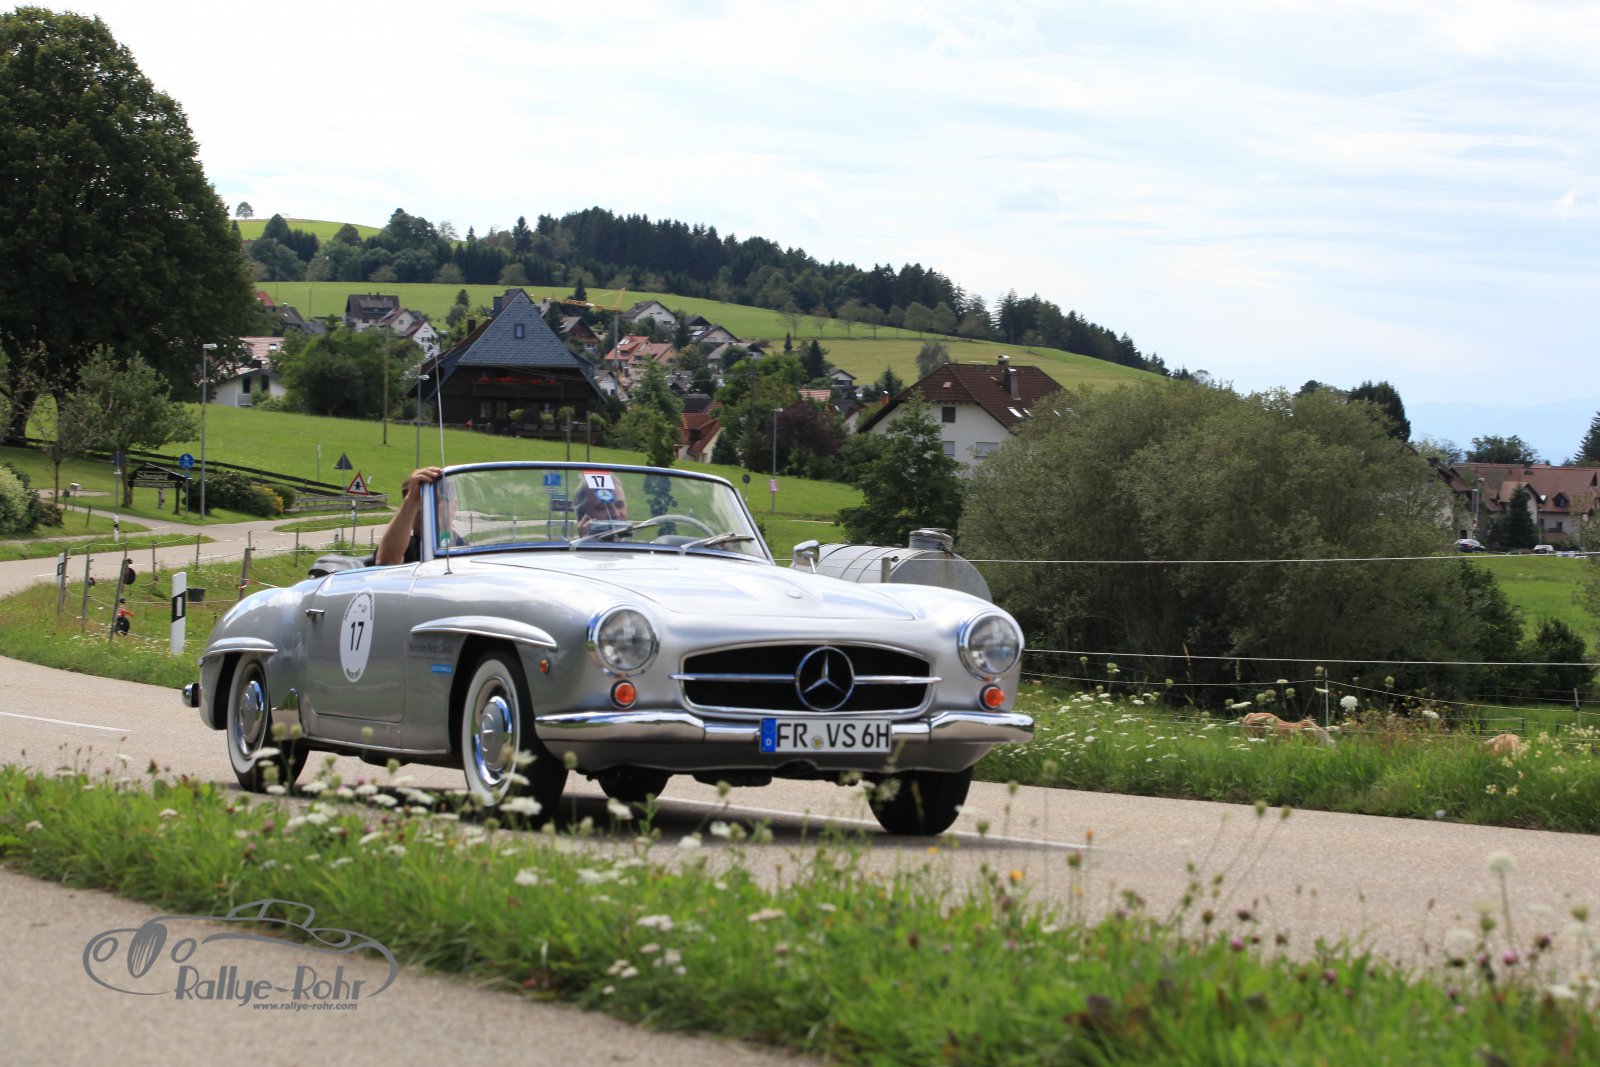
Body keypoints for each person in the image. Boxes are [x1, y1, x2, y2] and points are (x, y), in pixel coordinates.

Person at [373, 467, 442, 565]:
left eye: (434, 500)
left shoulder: (460, 546)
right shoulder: (406, 548)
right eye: (419, 503)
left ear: (453, 504)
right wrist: (411, 500)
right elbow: (387, 561)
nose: (422, 509)